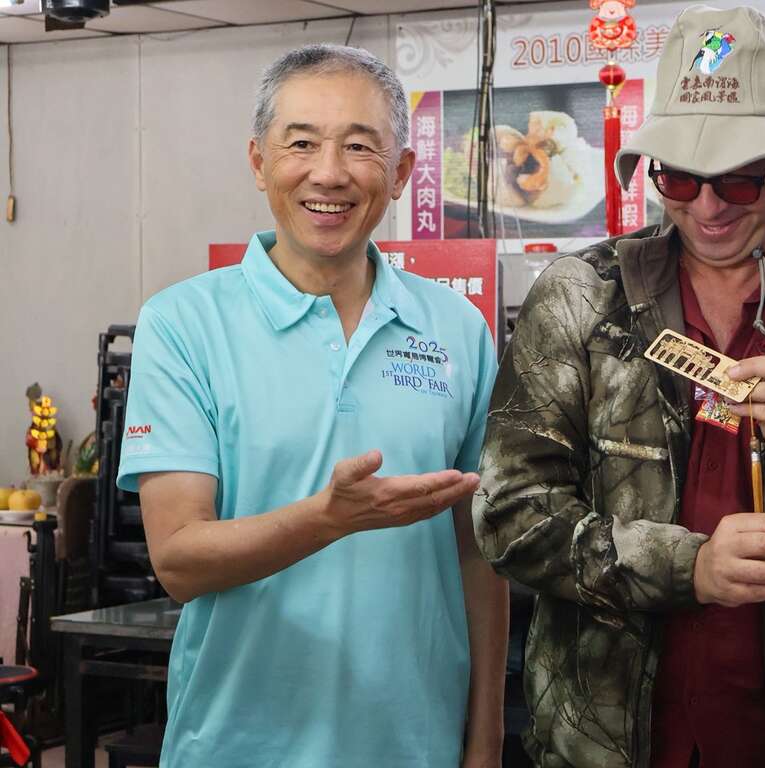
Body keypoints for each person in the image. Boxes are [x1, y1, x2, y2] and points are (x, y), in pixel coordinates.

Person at [473, 6, 765, 767]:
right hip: (604, 740)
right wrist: (689, 567)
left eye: (740, 181)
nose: (706, 208)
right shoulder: (581, 299)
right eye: (678, 177)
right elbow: (510, 516)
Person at [117, 44, 506, 768]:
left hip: (414, 744)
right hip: (236, 747)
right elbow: (178, 561)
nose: (328, 173)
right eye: (301, 144)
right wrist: (327, 519)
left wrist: (485, 742)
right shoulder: (183, 325)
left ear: (400, 173)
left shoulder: (458, 328)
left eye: (359, 146)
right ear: (259, 161)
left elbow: (478, 550)